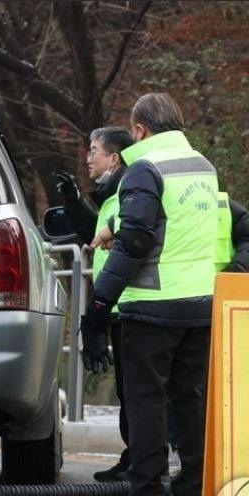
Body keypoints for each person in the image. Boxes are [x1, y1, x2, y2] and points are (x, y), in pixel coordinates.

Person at [80, 93, 218, 496]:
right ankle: (193, 484)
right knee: (190, 400)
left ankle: (148, 486)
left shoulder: (144, 168)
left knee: (146, 401)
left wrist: (99, 305)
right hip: (200, 306)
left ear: (139, 129)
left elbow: (136, 242)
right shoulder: (203, 167)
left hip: (153, 307)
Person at [56, 126, 134, 482]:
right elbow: (95, 237)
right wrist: (73, 202)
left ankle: (141, 461)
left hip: (128, 302)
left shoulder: (127, 193)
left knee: (136, 391)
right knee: (128, 389)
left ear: (114, 158)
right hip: (115, 303)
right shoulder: (112, 196)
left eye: (94, 150)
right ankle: (134, 457)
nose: (88, 157)